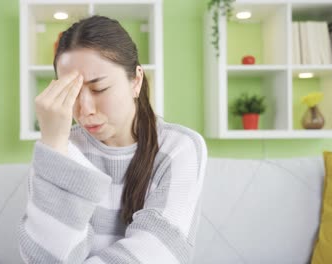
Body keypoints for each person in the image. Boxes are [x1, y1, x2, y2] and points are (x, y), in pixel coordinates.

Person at [18, 15, 207, 264]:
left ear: (136, 80)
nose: (84, 109)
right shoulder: (59, 148)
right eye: (72, 92)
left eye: (99, 89)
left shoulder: (179, 148)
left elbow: (157, 253)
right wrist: (54, 146)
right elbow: (44, 258)